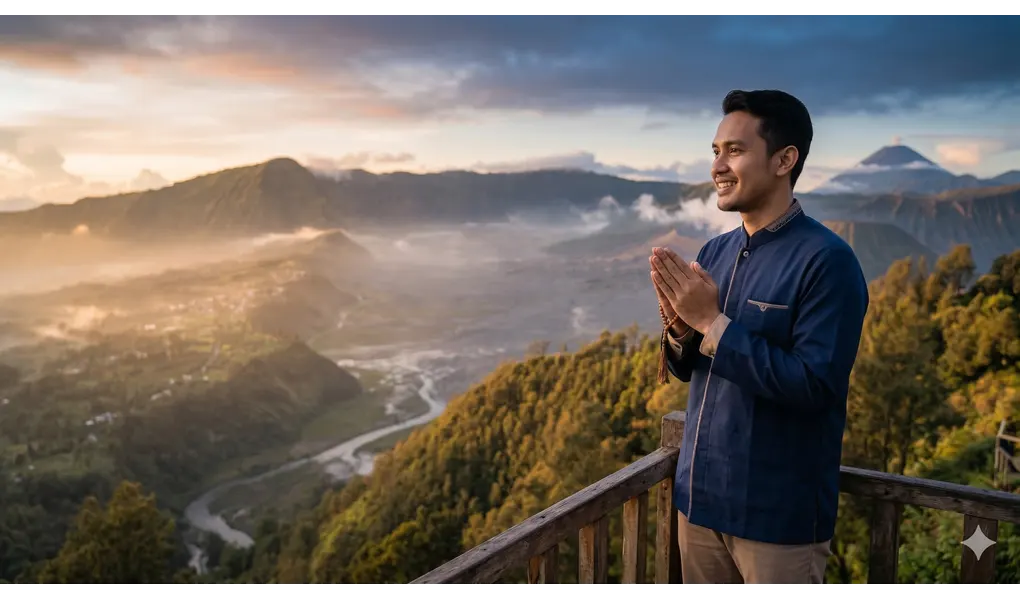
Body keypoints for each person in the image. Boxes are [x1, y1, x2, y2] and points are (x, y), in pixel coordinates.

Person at [648, 89, 869, 584]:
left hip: (777, 522)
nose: (718, 166)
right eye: (715, 151)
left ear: (784, 160)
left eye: (735, 150)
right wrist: (681, 329)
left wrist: (711, 323)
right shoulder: (716, 250)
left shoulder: (827, 262)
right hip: (698, 507)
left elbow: (815, 385)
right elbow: (690, 369)